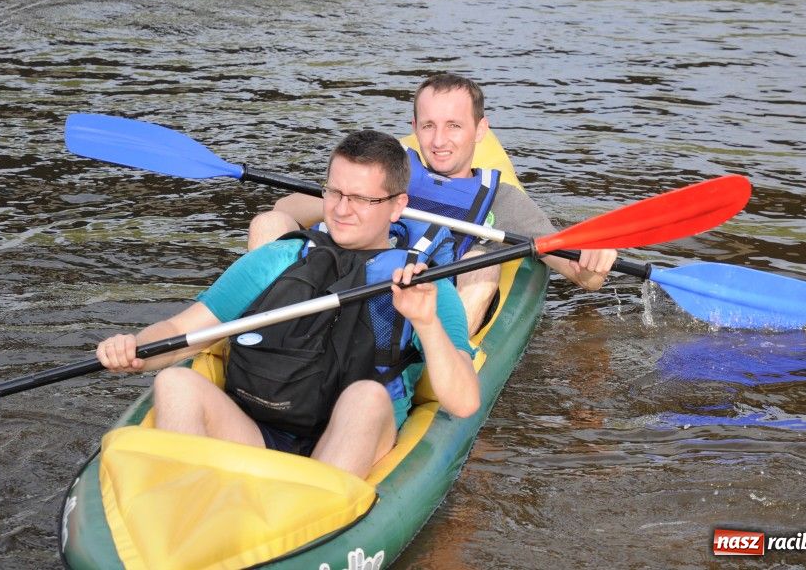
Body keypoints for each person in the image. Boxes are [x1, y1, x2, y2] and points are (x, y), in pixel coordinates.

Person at [96, 130, 478, 479]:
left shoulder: (422, 283)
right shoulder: (281, 258)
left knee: (367, 396)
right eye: (335, 193)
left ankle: (314, 525)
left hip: (347, 451)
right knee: (175, 382)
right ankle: (186, 508)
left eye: (362, 198)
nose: (343, 210)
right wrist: (134, 349)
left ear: (397, 207)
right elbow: (181, 331)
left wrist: (425, 324)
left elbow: (463, 402)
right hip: (259, 433)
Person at [248, 73, 618, 335]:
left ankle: (444, 370)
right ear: (414, 127)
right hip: (343, 279)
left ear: (481, 130)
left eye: (454, 126)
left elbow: (583, 277)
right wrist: (344, 196)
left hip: (419, 317)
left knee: (482, 263)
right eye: (428, 126)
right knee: (267, 222)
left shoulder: (502, 200)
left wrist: (597, 255)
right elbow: (287, 210)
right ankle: (260, 331)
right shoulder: (388, 169)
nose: (439, 140)